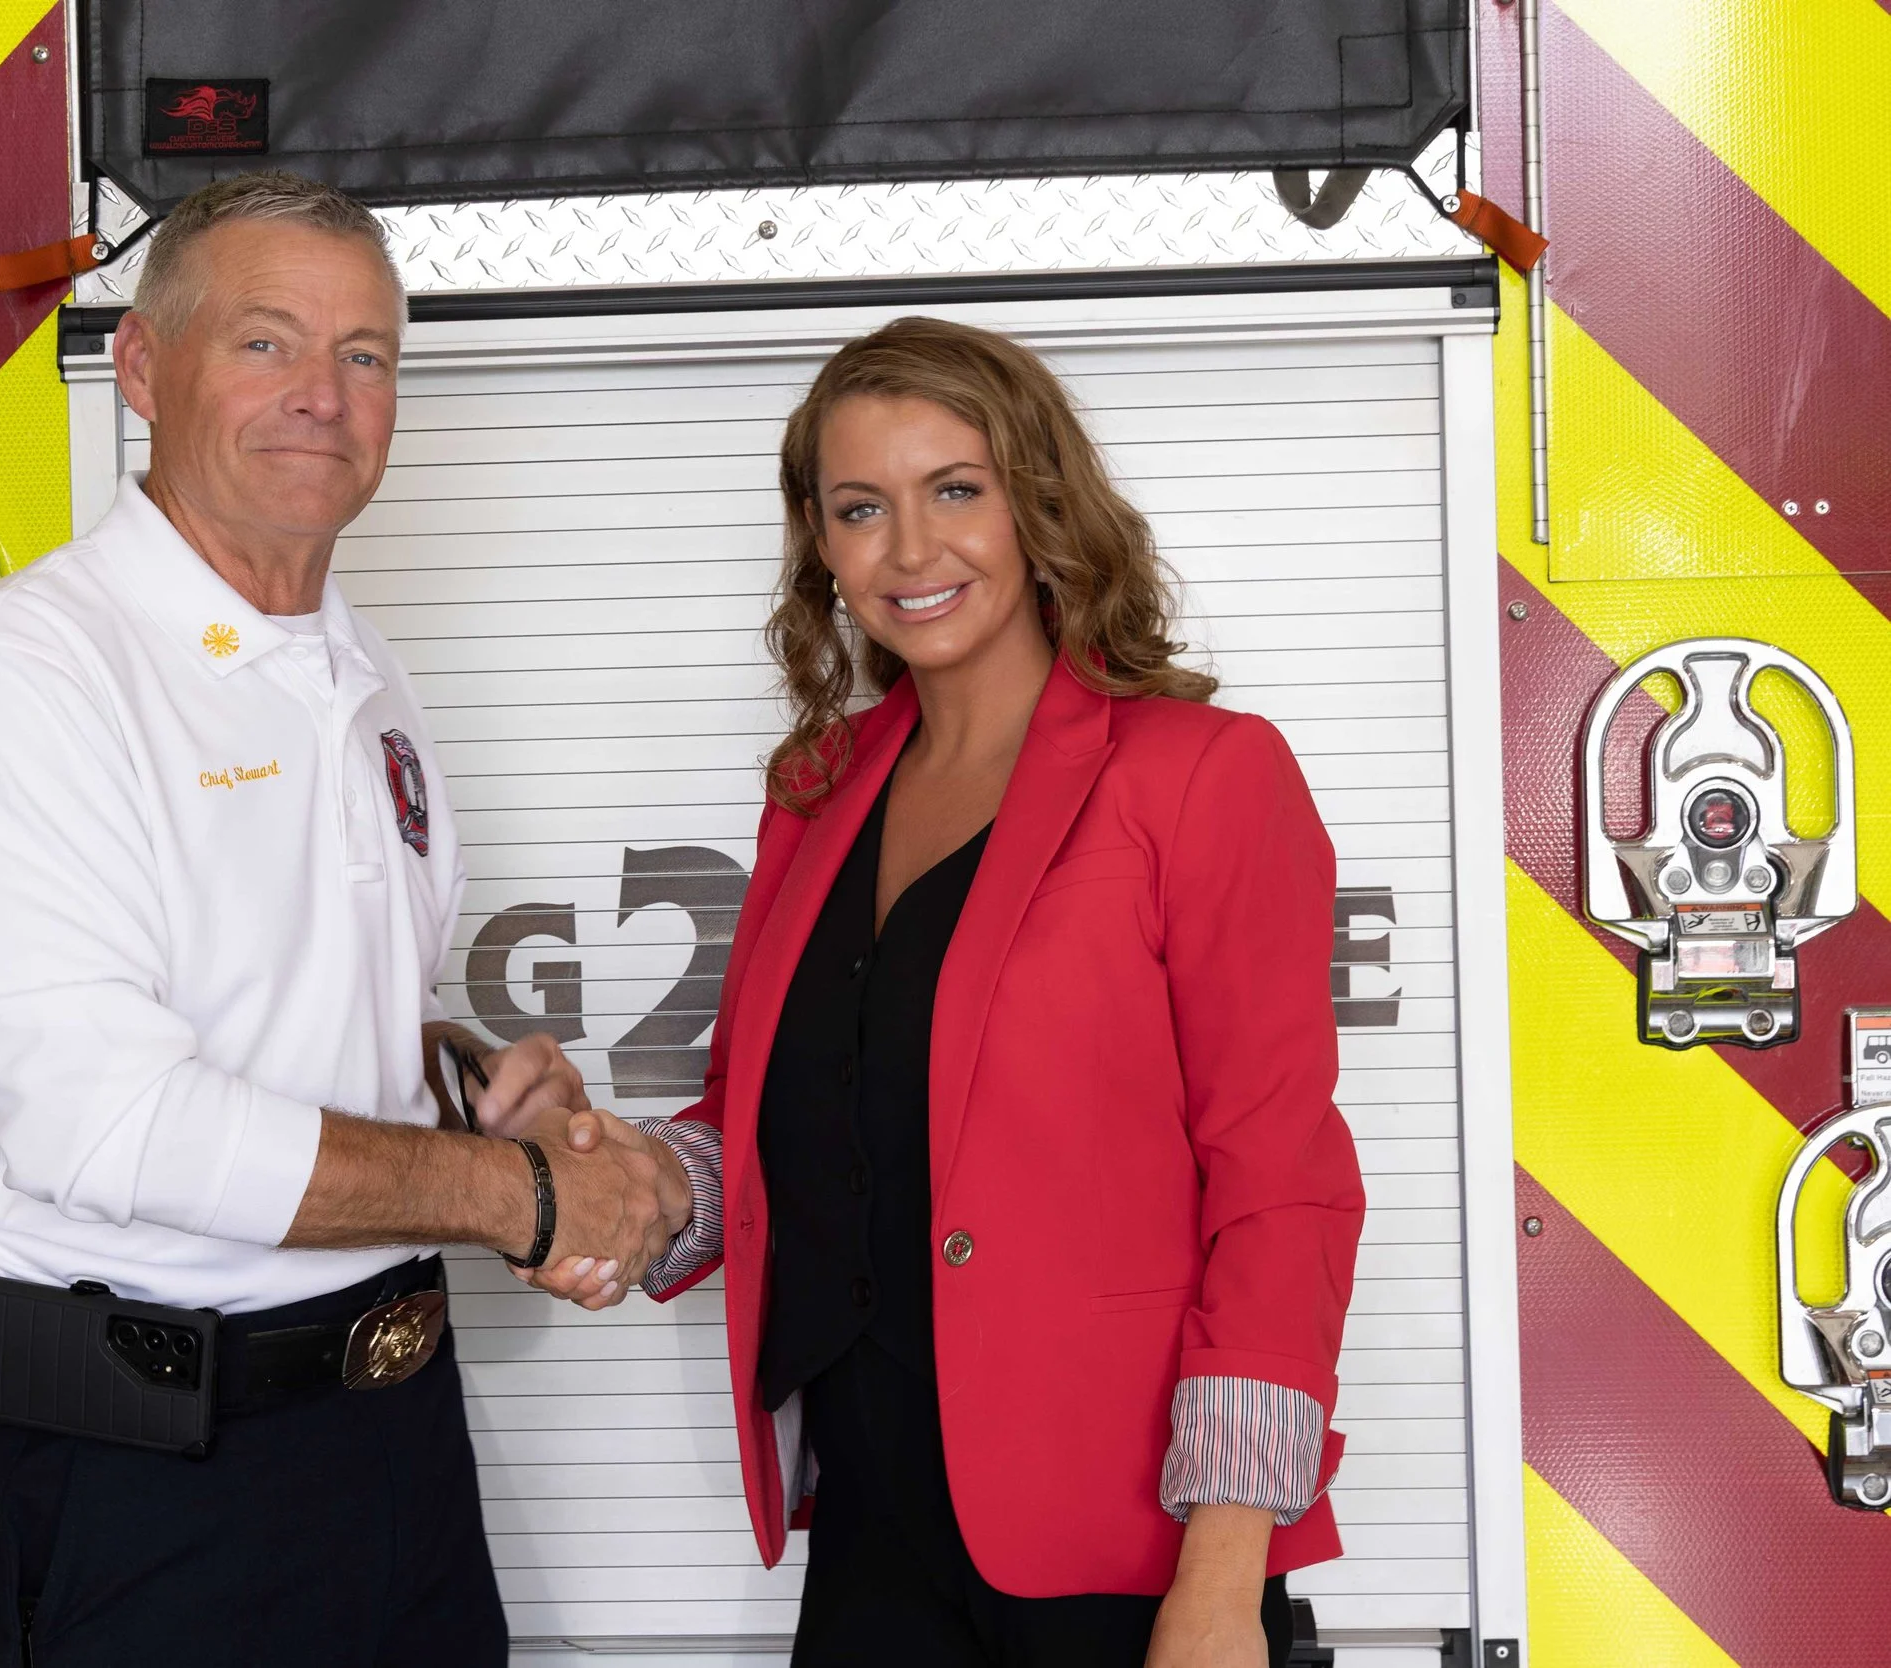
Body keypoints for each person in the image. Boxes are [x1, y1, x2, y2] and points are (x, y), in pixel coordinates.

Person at [0, 171, 681, 1668]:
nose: (324, 396)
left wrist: (456, 1079)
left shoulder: (356, 670)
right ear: (145, 367)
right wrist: (518, 1197)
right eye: (267, 343)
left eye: (366, 356)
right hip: (153, 1487)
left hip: (395, 1453)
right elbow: (103, 1124)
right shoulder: (30, 683)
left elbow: (288, 1005)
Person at [505, 317, 1365, 1667]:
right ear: (823, 546)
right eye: (863, 509)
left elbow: (1280, 1182)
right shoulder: (819, 789)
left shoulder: (1200, 775)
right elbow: (774, 1120)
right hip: (873, 1534)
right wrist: (611, 1166)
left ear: (1036, 502)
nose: (912, 551)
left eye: (954, 489)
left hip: (1121, 1549)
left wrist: (1221, 1573)